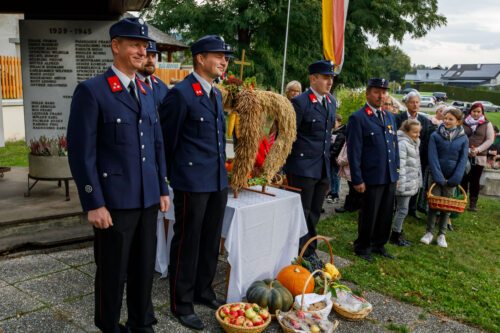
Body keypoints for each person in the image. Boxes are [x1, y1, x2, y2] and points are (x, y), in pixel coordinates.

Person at [66, 17, 170, 333]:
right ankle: (109, 325)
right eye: (135, 45)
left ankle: (142, 322)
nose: (143, 51)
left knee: (143, 268)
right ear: (116, 46)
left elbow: (157, 142)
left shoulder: (147, 90)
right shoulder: (93, 91)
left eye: (145, 45)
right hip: (114, 203)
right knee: (113, 271)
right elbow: (81, 153)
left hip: (148, 198)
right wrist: (93, 202)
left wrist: (162, 187)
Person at [159, 35, 232, 331]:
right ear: (200, 58)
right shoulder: (181, 94)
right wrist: (173, 179)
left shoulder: (215, 94)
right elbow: (166, 141)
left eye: (225, 57)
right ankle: (182, 302)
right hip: (191, 181)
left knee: (211, 240)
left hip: (216, 181)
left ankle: (203, 290)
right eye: (219, 56)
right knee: (188, 242)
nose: (224, 61)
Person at [284, 60, 336, 259]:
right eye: (325, 77)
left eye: (331, 78)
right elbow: (290, 135)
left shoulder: (330, 101)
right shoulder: (301, 102)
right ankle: (295, 252)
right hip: (303, 166)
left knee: (315, 212)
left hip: (322, 166)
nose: (329, 82)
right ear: (313, 78)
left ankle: (309, 251)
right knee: (301, 212)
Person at [346, 78, 399, 262]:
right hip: (371, 176)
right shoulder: (358, 118)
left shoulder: (389, 116)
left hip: (388, 174)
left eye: (384, 92)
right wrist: (357, 179)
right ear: (368, 93)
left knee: (385, 213)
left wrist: (396, 171)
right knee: (370, 213)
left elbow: (394, 146)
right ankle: (363, 246)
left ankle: (379, 244)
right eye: (377, 92)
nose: (381, 95)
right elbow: (354, 152)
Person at [421, 108, 468, 248]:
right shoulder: (435, 136)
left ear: (458, 122)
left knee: (447, 207)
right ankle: (429, 232)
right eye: (445, 118)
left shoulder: (463, 138)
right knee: (433, 205)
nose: (447, 121)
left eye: (451, 119)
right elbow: (433, 157)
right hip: (436, 176)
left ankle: (442, 234)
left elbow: (463, 159)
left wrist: (456, 177)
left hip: (452, 178)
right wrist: (438, 176)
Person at [397, 91, 432, 219]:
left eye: (417, 102)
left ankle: (412, 209)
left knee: (415, 182)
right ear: (407, 103)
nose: (415, 105)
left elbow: (426, 139)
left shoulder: (424, 120)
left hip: (418, 156)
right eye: (412, 102)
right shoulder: (398, 118)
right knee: (402, 181)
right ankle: (399, 207)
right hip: (402, 154)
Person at [390, 119, 422, 246]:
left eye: (419, 132)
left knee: (401, 209)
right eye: (415, 132)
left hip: (410, 181)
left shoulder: (413, 142)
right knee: (402, 209)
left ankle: (398, 230)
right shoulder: (403, 144)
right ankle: (395, 235)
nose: (417, 135)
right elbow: (400, 165)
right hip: (403, 182)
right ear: (406, 131)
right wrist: (401, 184)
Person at [460, 102, 495, 211]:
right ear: (470, 111)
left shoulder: (487, 124)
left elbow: (490, 139)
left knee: (475, 180)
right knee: (463, 178)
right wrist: (466, 150)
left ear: (482, 112)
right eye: (474, 111)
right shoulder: (463, 122)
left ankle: (473, 203)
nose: (476, 113)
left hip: (479, 156)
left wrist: (478, 150)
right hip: (464, 155)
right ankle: (462, 200)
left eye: (478, 112)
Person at [137, 40, 169, 110]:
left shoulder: (162, 86)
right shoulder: (130, 85)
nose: (151, 60)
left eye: (153, 56)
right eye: (146, 55)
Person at [326, 114, 345, 203]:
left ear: (339, 122)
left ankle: (335, 194)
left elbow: (337, 147)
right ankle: (332, 191)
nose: (332, 123)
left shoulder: (341, 134)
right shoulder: (333, 132)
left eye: (334, 121)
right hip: (331, 158)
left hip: (336, 159)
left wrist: (330, 155)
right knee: (331, 176)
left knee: (336, 176)